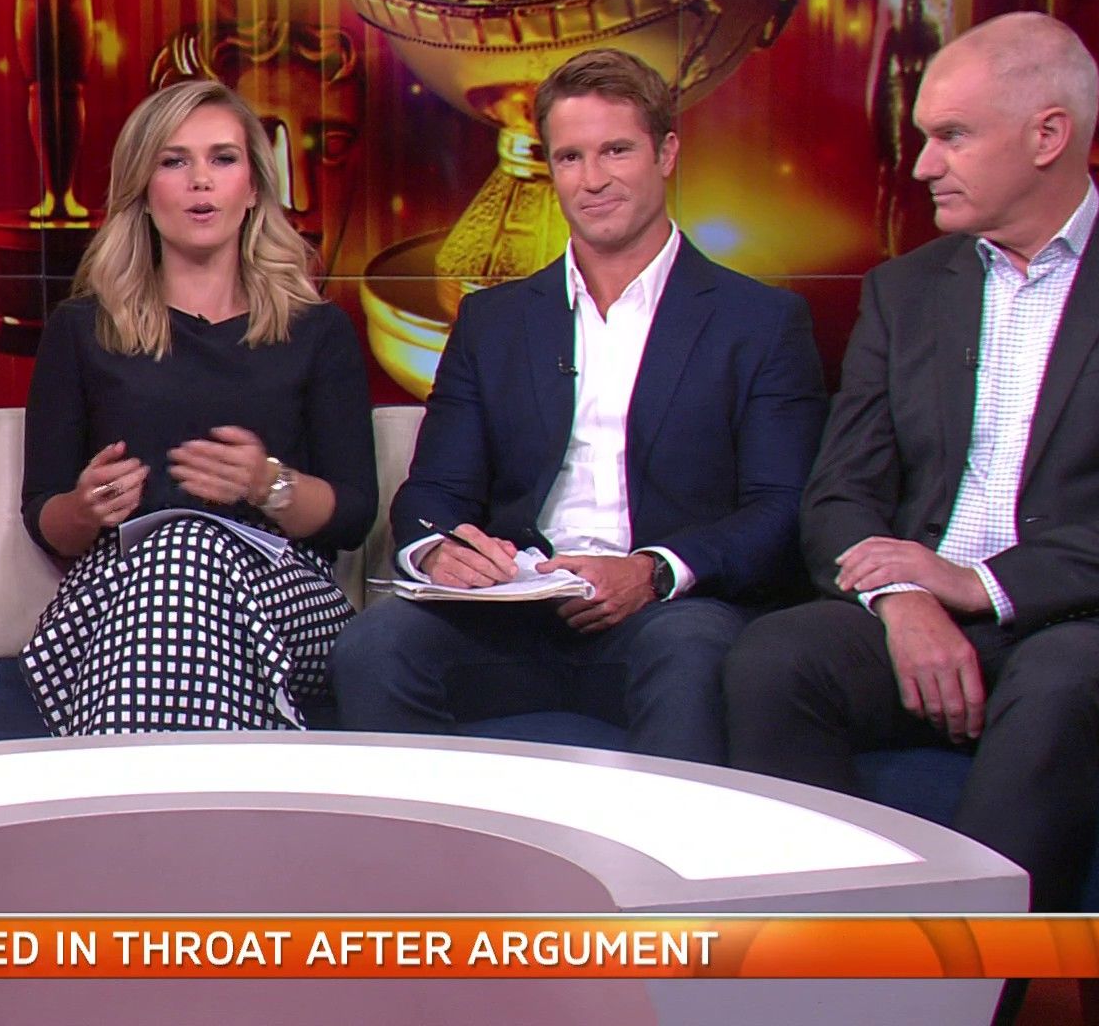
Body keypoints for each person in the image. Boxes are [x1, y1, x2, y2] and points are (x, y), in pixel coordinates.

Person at [722, 12, 1099, 921]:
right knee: (776, 657)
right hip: (934, 607)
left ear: (1048, 135)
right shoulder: (905, 290)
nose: (922, 165)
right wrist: (905, 600)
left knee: (1058, 679)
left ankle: (970, 981)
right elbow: (842, 491)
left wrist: (980, 585)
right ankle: (824, 958)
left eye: (952, 136)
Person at [328, 49, 829, 764]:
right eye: (569, 157)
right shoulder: (493, 322)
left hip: (669, 612)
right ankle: (428, 842)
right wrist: (438, 550)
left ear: (666, 154)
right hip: (515, 612)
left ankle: (657, 843)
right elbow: (434, 490)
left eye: (616, 151)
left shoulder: (760, 322)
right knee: (376, 646)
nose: (592, 180)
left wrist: (653, 570)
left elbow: (781, 509)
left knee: (691, 654)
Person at [19, 80, 376, 734]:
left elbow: (353, 514)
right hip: (121, 591)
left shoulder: (317, 330)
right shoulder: (81, 329)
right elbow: (45, 516)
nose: (200, 181)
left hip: (284, 597)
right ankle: (237, 788)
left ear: (254, 187)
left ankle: (126, 782)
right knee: (177, 558)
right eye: (174, 161)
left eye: (222, 159)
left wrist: (266, 484)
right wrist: (86, 508)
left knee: (189, 551)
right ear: (142, 189)